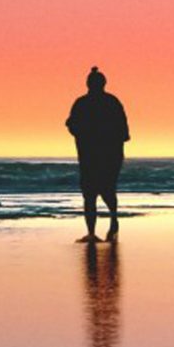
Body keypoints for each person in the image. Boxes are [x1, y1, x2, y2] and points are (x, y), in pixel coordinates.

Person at [65, 67, 130, 242]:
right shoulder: (111, 102)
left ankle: (96, 229)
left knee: (91, 193)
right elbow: (125, 134)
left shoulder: (83, 103)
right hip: (108, 156)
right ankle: (108, 220)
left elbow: (71, 126)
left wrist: (87, 134)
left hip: (91, 155)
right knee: (104, 190)